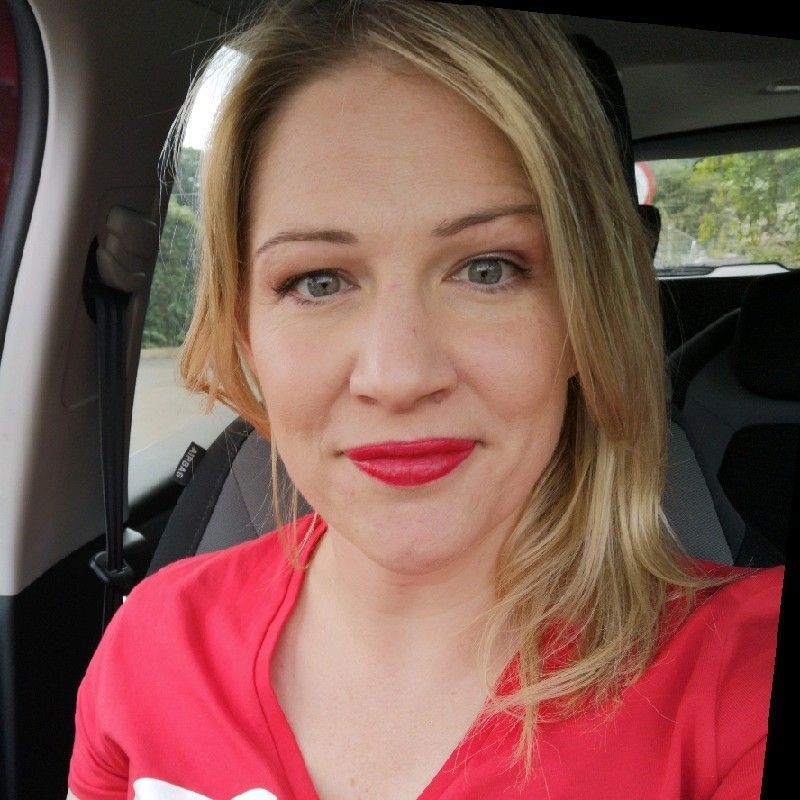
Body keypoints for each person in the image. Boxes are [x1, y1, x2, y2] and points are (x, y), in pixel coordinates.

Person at [67, 1, 784, 798]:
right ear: (246, 334)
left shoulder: (744, 676)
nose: (399, 375)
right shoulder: (151, 643)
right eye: (318, 281)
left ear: (586, 315)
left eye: (488, 270)